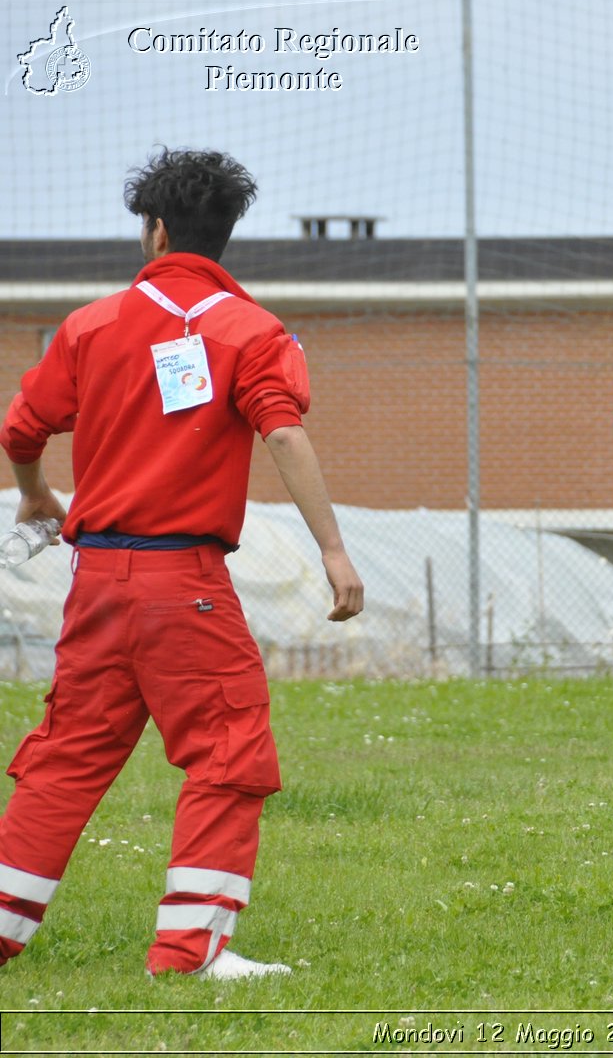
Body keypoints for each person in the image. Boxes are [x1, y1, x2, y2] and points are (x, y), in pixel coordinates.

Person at [0, 148, 364, 980]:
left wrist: (34, 495)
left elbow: (21, 430)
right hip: (183, 584)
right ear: (222, 236)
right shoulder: (252, 331)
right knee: (230, 748)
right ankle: (191, 949)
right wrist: (334, 548)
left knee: (66, 756)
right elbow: (281, 430)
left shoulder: (87, 327)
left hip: (95, 580)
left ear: (155, 230)